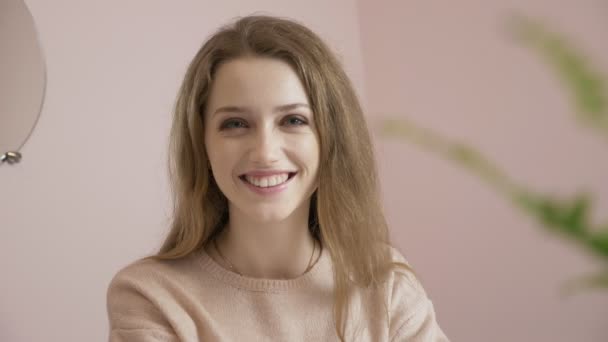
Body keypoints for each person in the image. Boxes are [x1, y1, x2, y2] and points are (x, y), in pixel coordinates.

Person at [106, 14, 449, 342]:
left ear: (331, 140)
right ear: (202, 146)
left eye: (294, 121)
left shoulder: (384, 282)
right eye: (235, 124)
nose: (265, 152)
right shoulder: (151, 297)